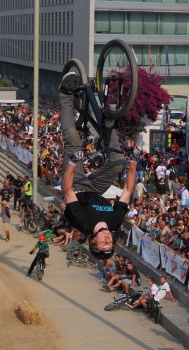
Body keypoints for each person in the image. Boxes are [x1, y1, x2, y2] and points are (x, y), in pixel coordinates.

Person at [59, 72, 137, 260]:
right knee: (118, 163)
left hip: (75, 186)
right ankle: (108, 123)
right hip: (95, 189)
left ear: (93, 241)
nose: (108, 240)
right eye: (110, 244)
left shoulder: (82, 222)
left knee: (73, 141)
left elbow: (67, 190)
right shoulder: (115, 222)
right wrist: (133, 164)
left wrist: (73, 162)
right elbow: (127, 192)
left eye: (104, 243)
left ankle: (65, 95)